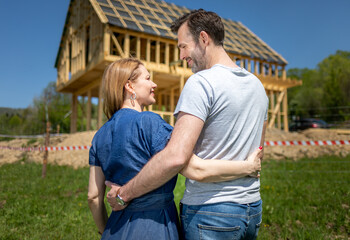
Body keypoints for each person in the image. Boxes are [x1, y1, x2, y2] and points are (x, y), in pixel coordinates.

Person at [88, 58, 263, 239]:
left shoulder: (99, 136)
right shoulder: (150, 123)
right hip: (155, 226)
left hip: (115, 228)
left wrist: (104, 230)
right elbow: (195, 168)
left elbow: (93, 197)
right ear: (129, 86)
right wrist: (247, 167)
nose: (153, 84)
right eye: (147, 78)